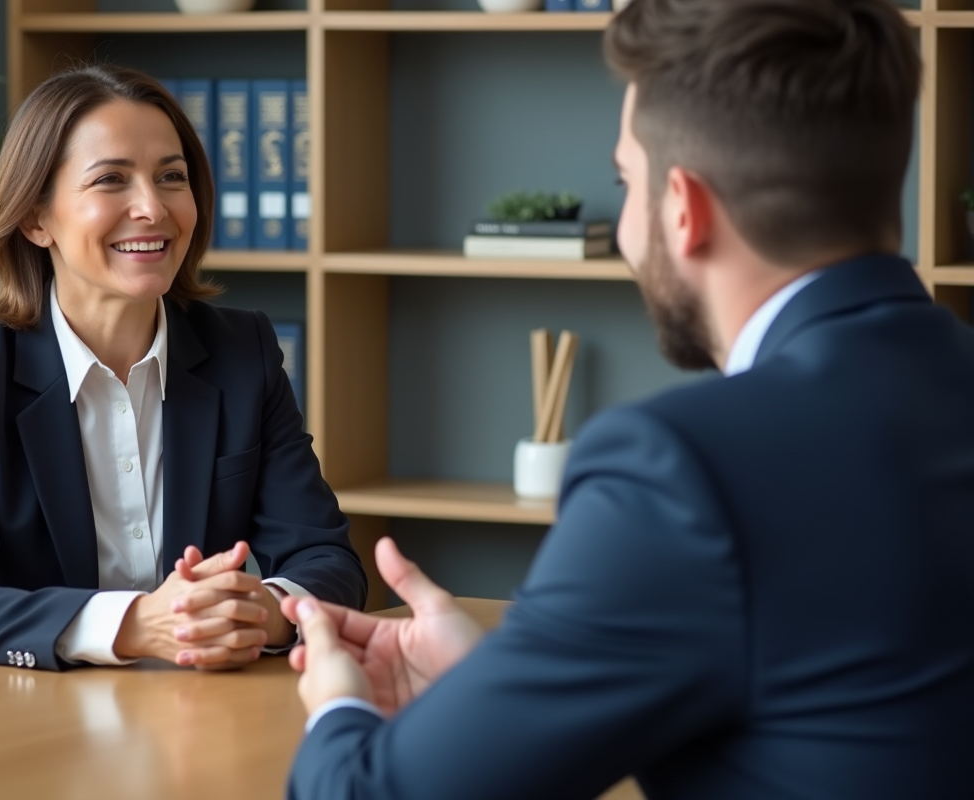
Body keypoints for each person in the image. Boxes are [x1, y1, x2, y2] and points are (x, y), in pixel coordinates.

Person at [280, 1, 974, 797]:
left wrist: (338, 702)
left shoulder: (685, 471)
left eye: (626, 182)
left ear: (684, 209)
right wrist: (496, 691)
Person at [0, 64, 366, 673]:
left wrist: (263, 610)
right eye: (111, 180)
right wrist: (135, 624)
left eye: (172, 177)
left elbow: (326, 558)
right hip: (19, 730)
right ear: (37, 218)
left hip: (193, 719)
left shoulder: (242, 352)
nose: (152, 208)